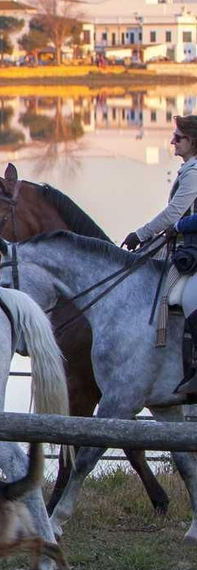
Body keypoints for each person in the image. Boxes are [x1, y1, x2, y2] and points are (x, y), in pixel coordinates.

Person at [125, 115, 197, 394]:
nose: (172, 141)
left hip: (191, 246)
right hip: (184, 244)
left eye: (178, 137)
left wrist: (142, 234)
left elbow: (175, 213)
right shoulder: (187, 169)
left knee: (189, 298)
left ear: (192, 141)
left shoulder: (194, 172)